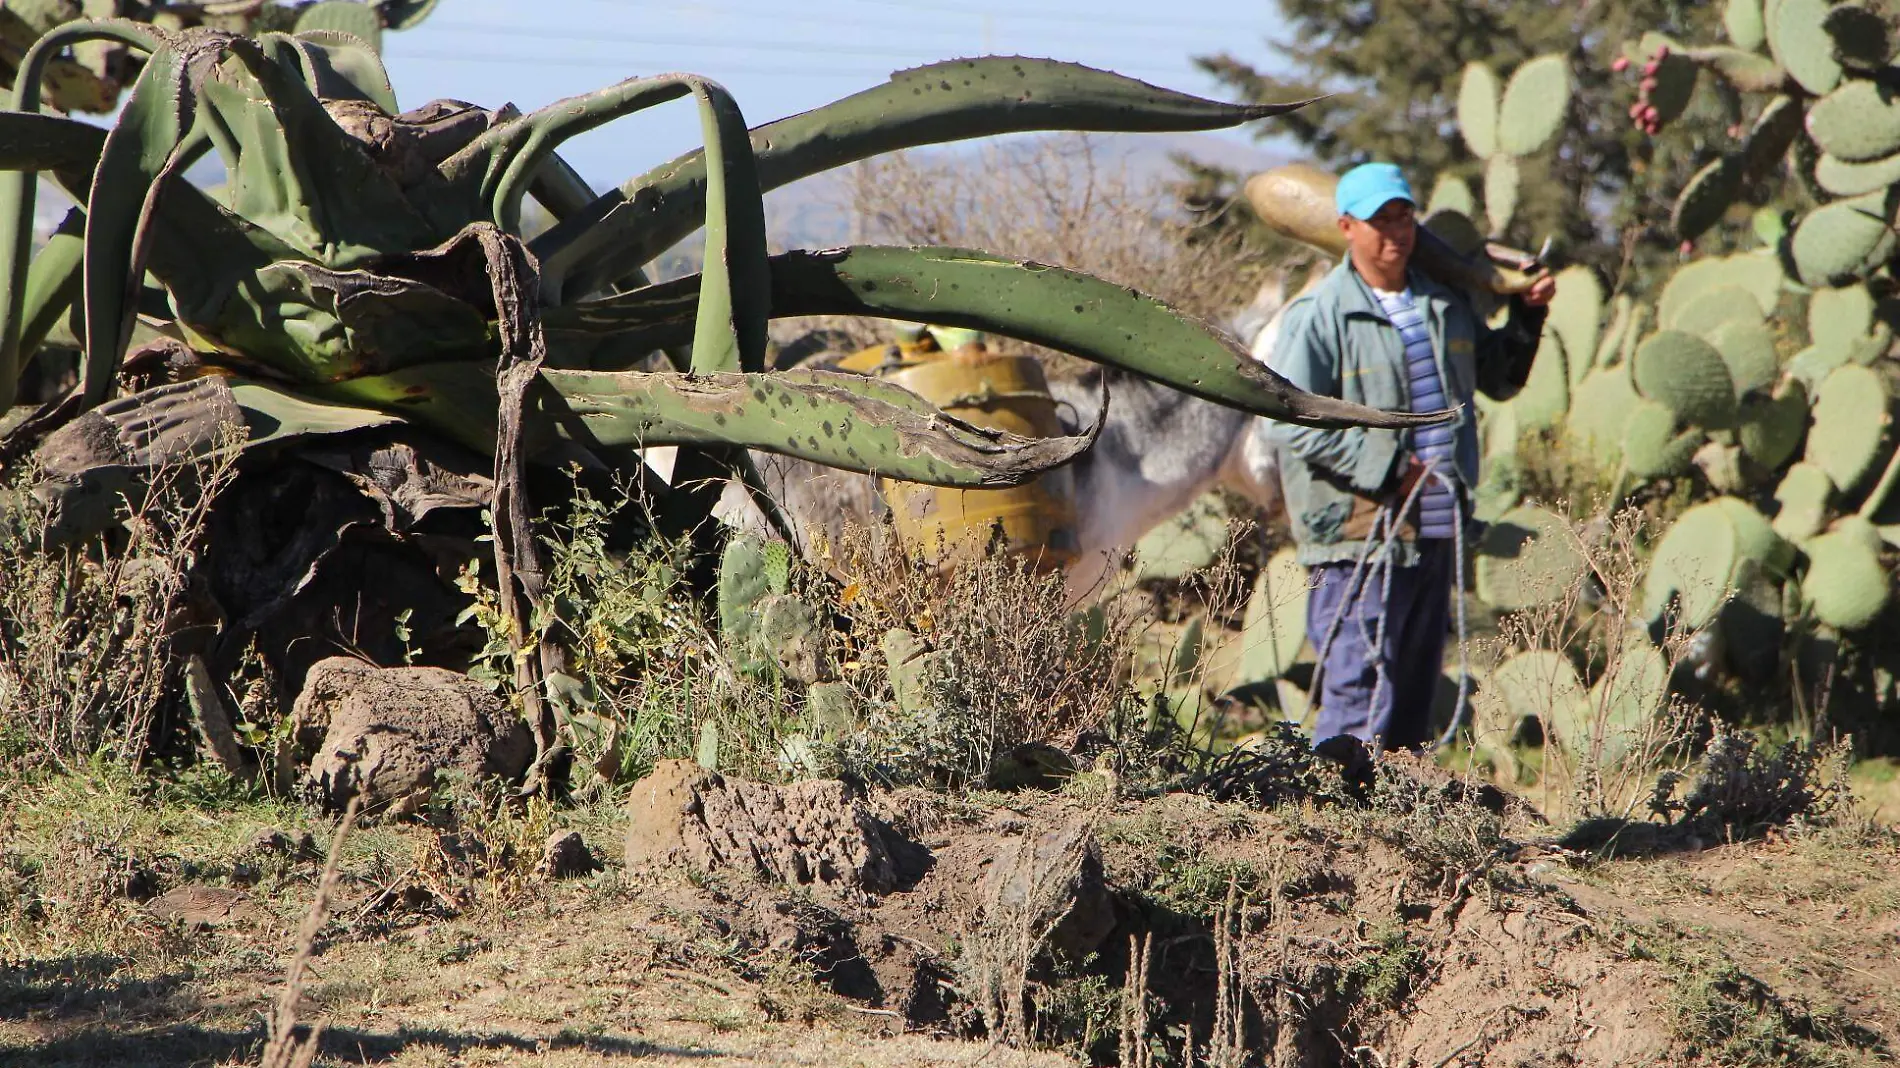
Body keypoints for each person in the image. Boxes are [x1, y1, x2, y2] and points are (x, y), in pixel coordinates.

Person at [1265, 162, 1556, 766]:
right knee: (1358, 696)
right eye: (1378, 220)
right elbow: (1289, 420)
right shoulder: (1319, 316)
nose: (1394, 232)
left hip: (1433, 531)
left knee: (1411, 708)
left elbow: (1497, 379)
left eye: (1403, 216)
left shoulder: (1443, 306)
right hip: (1355, 539)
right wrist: (1390, 470)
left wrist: (1527, 316)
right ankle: (1334, 832)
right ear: (1345, 227)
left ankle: (1396, 847)